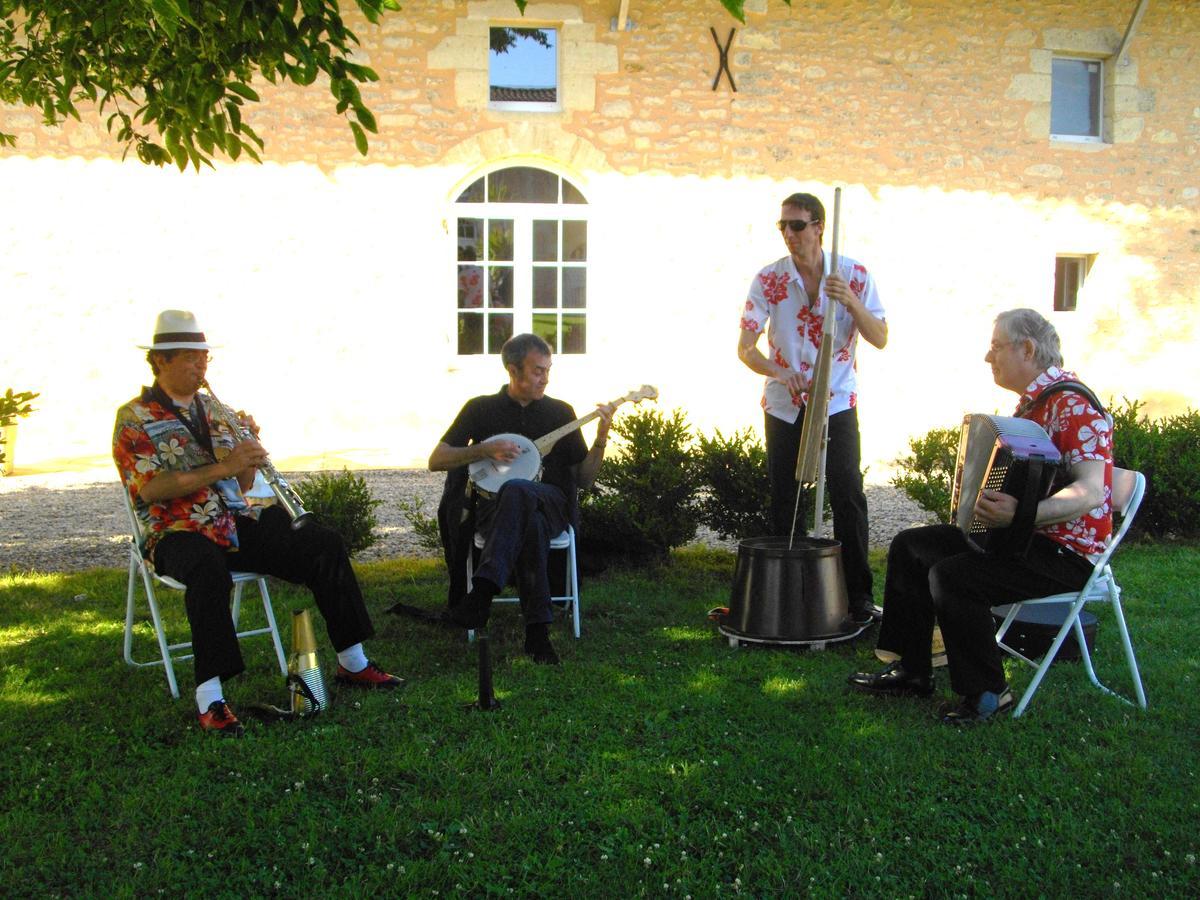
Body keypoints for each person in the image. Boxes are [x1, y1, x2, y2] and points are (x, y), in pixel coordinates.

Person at [113, 310, 403, 738]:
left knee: (322, 543)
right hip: (175, 530)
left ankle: (352, 662)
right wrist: (225, 465)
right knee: (208, 571)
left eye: (204, 359)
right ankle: (210, 697)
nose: (201, 368)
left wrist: (248, 456)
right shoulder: (134, 417)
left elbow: (242, 481)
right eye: (191, 359)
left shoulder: (214, 409)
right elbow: (152, 489)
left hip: (233, 520)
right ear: (161, 361)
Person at [848, 308, 1113, 724]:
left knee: (954, 575)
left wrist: (1022, 515)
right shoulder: (1032, 407)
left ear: (1027, 349)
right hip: (1020, 539)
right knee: (912, 546)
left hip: (1064, 555)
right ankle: (913, 671)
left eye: (995, 348)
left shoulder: (1074, 404)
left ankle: (988, 692)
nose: (988, 358)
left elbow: (1092, 491)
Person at [737, 192, 888, 627]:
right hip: (785, 403)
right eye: (783, 226)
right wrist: (780, 371)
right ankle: (785, 594)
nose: (789, 234)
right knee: (785, 496)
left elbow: (879, 337)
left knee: (848, 493)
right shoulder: (769, 280)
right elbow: (746, 349)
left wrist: (851, 301)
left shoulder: (854, 274)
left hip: (837, 399)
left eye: (798, 225)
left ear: (819, 227)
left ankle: (858, 598)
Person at [429, 333, 613, 665]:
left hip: (552, 502)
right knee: (529, 524)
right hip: (494, 512)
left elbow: (584, 480)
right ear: (513, 371)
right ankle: (537, 636)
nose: (546, 378)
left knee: (517, 489)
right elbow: (436, 459)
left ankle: (482, 592)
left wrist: (601, 439)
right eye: (538, 371)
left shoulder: (561, 412)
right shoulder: (480, 408)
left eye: (548, 369)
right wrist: (484, 449)